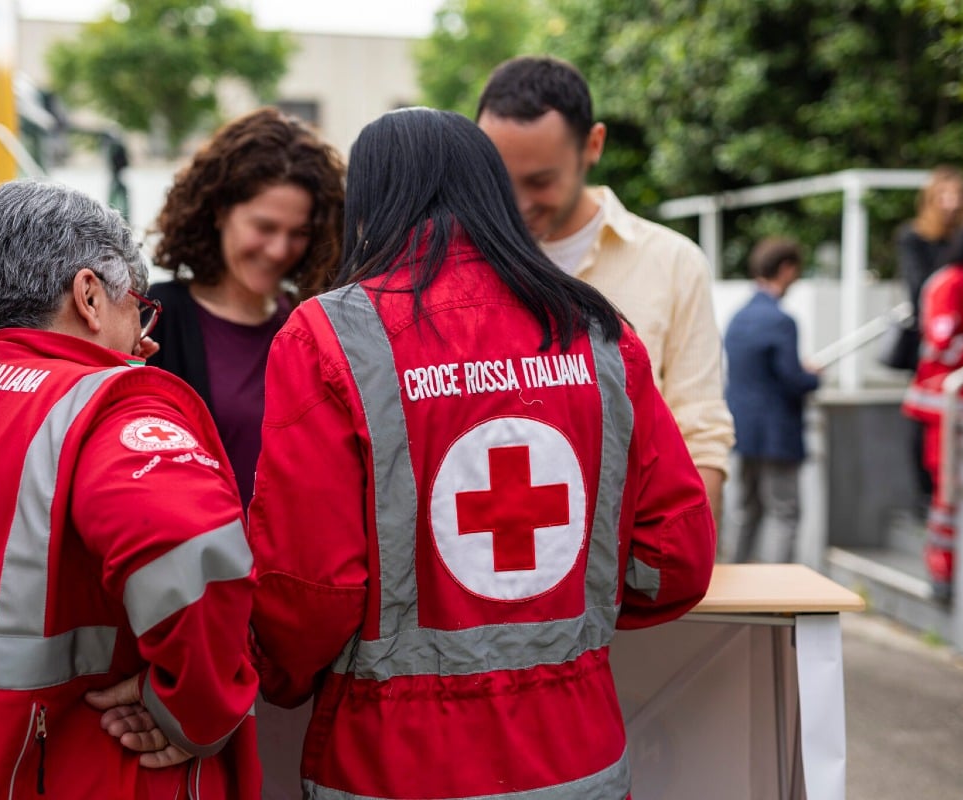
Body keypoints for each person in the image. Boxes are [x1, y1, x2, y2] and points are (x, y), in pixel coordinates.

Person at [246, 108, 715, 799]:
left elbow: (312, 590)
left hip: (394, 765)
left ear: (371, 205)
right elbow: (675, 558)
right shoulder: (598, 333)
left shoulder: (330, 337)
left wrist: (275, 677)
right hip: (579, 760)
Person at [0, 180, 260, 799]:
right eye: (136, 308)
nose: (146, 341)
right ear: (88, 295)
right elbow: (196, 558)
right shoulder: (104, 406)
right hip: (56, 772)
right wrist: (195, 711)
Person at [475, 56, 733, 528]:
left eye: (541, 181)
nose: (518, 204)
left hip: (635, 554)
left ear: (593, 145)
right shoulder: (461, 268)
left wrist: (692, 565)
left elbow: (701, 428)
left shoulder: (673, 263)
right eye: (499, 179)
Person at [147, 107, 345, 508]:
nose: (279, 250)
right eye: (265, 227)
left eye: (299, 233)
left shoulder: (313, 327)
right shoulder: (154, 319)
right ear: (218, 212)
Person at [902, 208, 963, 603]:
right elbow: (941, 346)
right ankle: (941, 570)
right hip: (944, 412)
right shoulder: (948, 284)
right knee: (946, 497)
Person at [723, 238, 820, 563]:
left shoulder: (738, 317)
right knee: (785, 513)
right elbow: (793, 379)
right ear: (786, 269)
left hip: (744, 432)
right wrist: (814, 376)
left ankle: (735, 580)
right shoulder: (781, 320)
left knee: (747, 510)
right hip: (777, 434)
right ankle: (782, 594)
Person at [894, 167, 963, 509]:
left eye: (956, 195)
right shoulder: (914, 236)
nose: (951, 203)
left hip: (962, 347)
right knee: (924, 419)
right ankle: (924, 493)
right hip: (928, 348)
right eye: (944, 195)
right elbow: (919, 288)